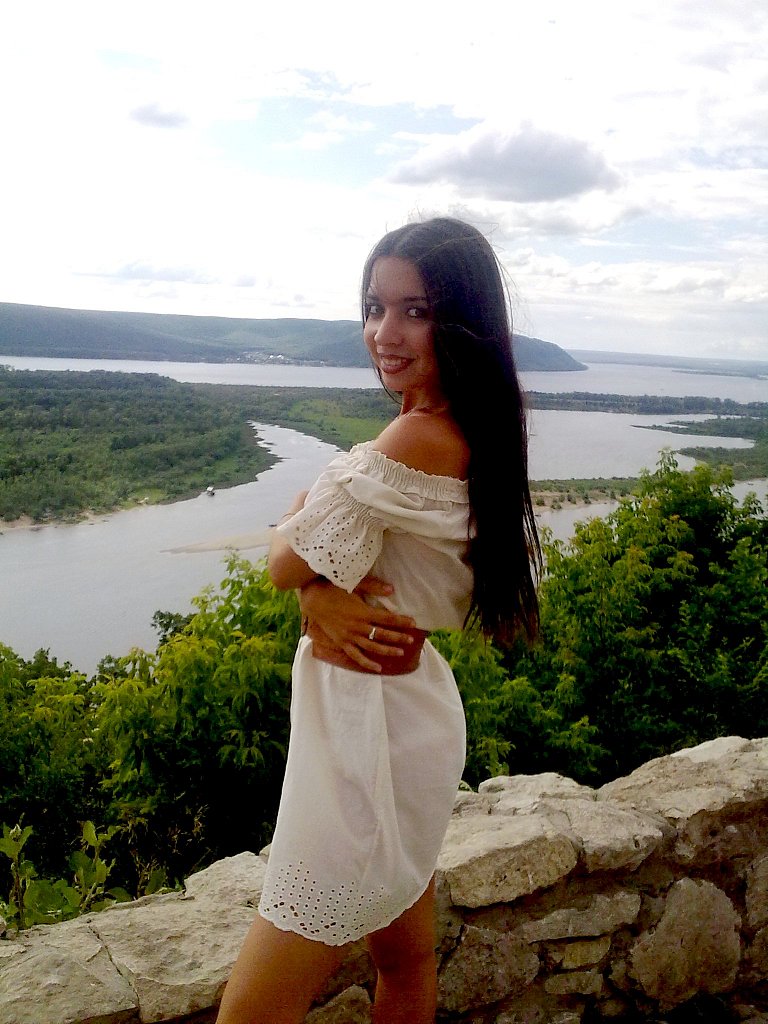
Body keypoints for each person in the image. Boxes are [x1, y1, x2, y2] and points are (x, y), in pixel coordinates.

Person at [215, 217, 541, 1024]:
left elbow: (285, 559)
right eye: (374, 307)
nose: (383, 333)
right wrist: (317, 585)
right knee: (405, 959)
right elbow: (316, 555)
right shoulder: (470, 426)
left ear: (461, 322)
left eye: (415, 311)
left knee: (252, 1011)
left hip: (366, 735)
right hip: (403, 712)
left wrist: (307, 572)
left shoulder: (412, 437)